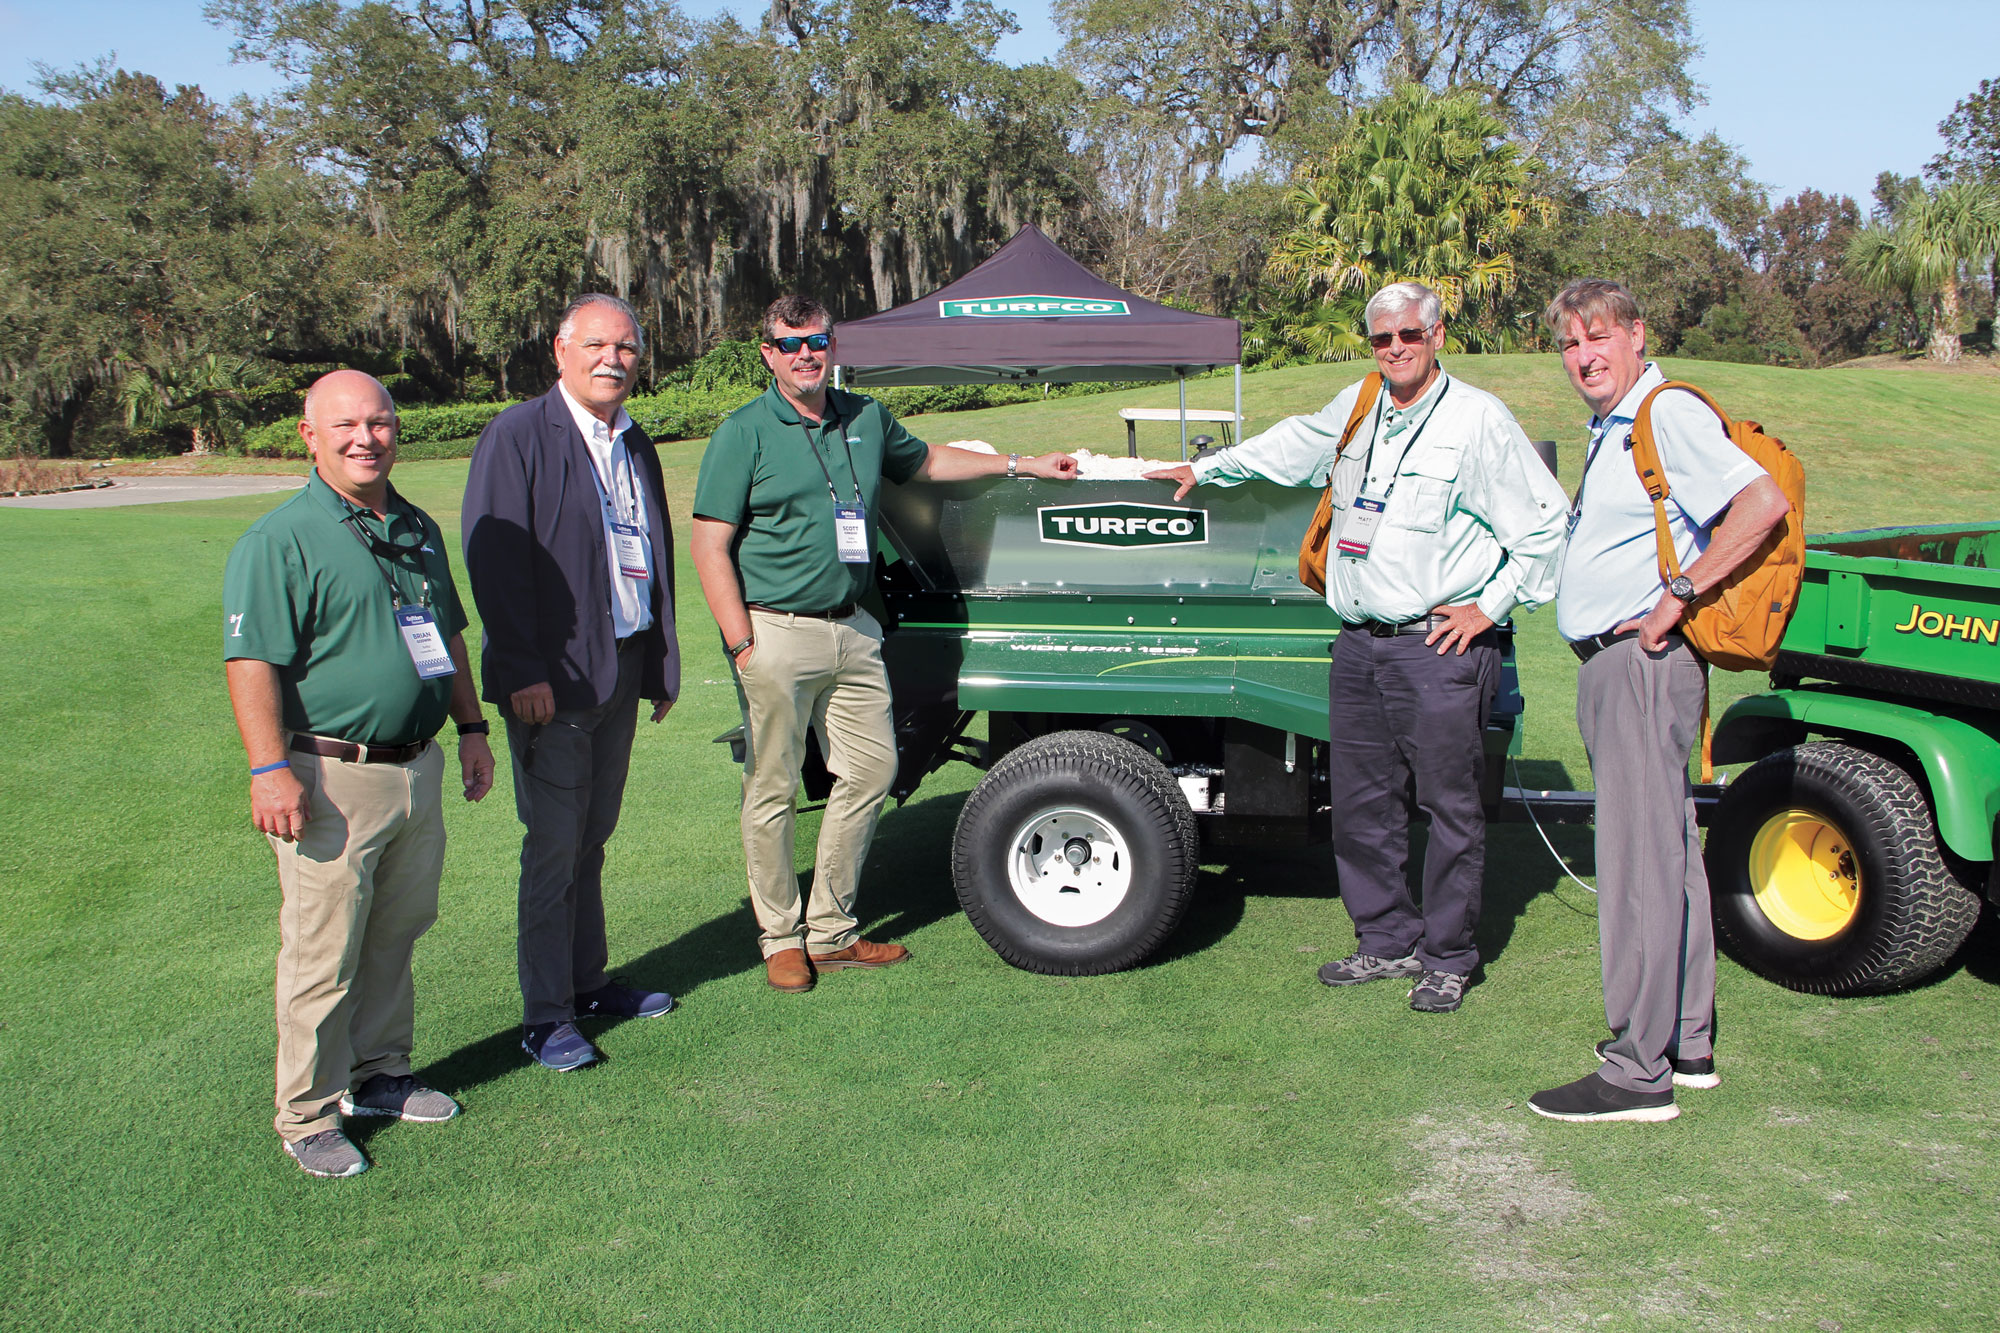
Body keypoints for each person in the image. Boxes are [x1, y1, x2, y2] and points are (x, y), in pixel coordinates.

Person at [1148, 281, 1567, 1013]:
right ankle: (1386, 938)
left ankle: (1447, 956)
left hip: (1436, 648)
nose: (1396, 349)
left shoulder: (1477, 421)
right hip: (1358, 644)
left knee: (1449, 808)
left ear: (1437, 336)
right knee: (1363, 803)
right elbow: (1292, 444)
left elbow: (1545, 527)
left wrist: (1488, 607)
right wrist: (1205, 468)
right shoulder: (1361, 403)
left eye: (1409, 334)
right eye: (1382, 339)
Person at [691, 295, 1077, 992]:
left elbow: (928, 462)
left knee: (870, 773)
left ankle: (832, 930)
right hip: (775, 630)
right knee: (773, 788)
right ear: (768, 354)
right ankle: (781, 937)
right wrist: (743, 642)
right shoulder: (743, 431)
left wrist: (1024, 463)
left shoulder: (864, 417)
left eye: (817, 340)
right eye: (791, 344)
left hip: (856, 626)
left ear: (832, 345)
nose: (806, 354)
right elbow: (708, 542)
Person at [1529, 279, 1790, 1123]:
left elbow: (1762, 504)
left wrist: (1677, 592)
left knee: (1637, 865)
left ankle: (1636, 1071)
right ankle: (1686, 1040)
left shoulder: (1662, 412)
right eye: (1569, 344)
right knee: (1668, 851)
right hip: (1630, 663)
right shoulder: (1620, 425)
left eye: (1597, 336)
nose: (1583, 356)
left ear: (1638, 334)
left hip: (1640, 659)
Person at [224, 370, 496, 1179]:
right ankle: (307, 1112)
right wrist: (269, 767)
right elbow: (252, 662)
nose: (365, 438)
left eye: (379, 423)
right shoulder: (282, 538)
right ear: (308, 434)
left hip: (417, 766)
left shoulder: (414, 526)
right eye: (345, 424)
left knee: (396, 931)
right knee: (323, 949)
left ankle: (381, 1073)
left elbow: (443, 638)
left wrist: (473, 727)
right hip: (329, 774)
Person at [462, 293, 681, 1072]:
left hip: (618, 665)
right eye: (595, 345)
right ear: (559, 350)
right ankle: (545, 1014)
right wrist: (522, 668)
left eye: (625, 348)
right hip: (551, 682)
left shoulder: (634, 442)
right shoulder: (518, 436)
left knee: (593, 837)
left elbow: (648, 552)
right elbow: (494, 563)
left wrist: (657, 659)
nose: (611, 360)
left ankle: (588, 984)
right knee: (554, 846)